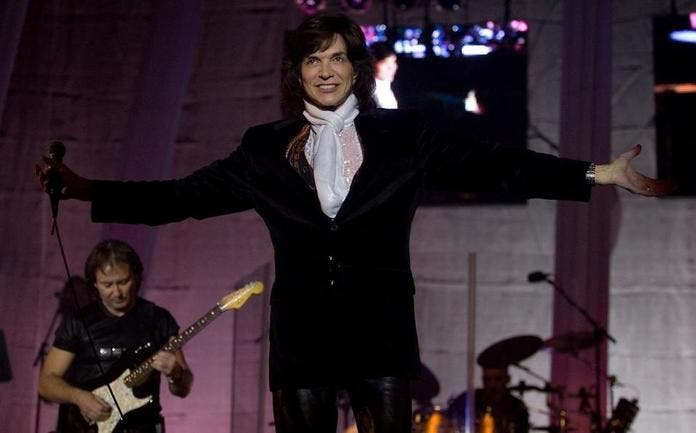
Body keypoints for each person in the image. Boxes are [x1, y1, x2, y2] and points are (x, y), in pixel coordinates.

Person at [36, 12, 671, 433]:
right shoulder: (265, 147)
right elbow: (182, 196)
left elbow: (495, 164)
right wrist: (86, 187)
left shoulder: (403, 135)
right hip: (302, 340)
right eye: (314, 60)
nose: (326, 70)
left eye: (338, 58)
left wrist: (594, 174)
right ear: (297, 72)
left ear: (356, 67)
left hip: (381, 333)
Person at [38, 239, 193, 433]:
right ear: (95, 284)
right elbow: (46, 383)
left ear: (136, 277)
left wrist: (175, 374)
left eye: (123, 282)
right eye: (107, 284)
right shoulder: (78, 322)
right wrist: (79, 397)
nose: (117, 292)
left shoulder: (158, 319)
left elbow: (183, 390)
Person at [446, 365, 529, 433]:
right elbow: (448, 420)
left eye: (498, 379)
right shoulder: (470, 398)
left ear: (507, 379)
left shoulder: (516, 406)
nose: (492, 384)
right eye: (487, 380)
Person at [369, 41, 399, 108]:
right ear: (372, 63)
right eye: (386, 63)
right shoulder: (371, 93)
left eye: (393, 61)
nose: (391, 67)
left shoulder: (385, 84)